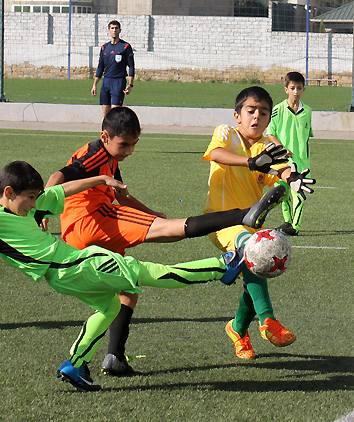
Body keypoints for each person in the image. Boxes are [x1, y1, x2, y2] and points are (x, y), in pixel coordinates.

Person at [0, 160, 248, 392]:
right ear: (7, 194)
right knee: (146, 273)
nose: (34, 205)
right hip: (75, 264)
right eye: (29, 199)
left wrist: (101, 180)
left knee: (109, 307)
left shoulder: (26, 205)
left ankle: (75, 364)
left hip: (62, 275)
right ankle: (223, 265)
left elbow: (64, 190)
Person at [44, 106, 293, 375]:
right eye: (124, 145)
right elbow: (60, 175)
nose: (130, 151)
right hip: (94, 220)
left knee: (127, 290)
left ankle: (114, 357)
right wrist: (43, 206)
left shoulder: (107, 156)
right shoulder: (93, 154)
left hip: (81, 229)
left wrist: (150, 212)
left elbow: (122, 196)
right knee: (169, 231)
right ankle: (243, 215)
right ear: (105, 137)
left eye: (134, 144)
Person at [203, 86, 315, 359]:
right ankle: (268, 321)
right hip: (220, 221)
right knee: (255, 252)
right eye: (250, 111)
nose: (256, 117)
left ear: (268, 119)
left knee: (258, 270)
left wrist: (292, 177)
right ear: (237, 115)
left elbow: (280, 168)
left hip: (251, 227)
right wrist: (252, 162)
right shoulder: (226, 133)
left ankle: (238, 328)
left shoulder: (267, 147)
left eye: (263, 112)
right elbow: (217, 154)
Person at [266, 71, 313, 236]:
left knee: (298, 194)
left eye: (299, 88)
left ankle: (295, 226)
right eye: (292, 88)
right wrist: (281, 147)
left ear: (303, 90)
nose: (296, 91)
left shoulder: (307, 111)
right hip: (282, 160)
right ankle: (287, 221)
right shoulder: (278, 110)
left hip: (301, 162)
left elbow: (307, 135)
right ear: (286, 89)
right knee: (283, 193)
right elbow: (270, 132)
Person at [91, 20, 135, 116]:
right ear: (109, 31)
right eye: (112, 28)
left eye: (116, 28)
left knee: (114, 114)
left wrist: (130, 84)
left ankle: (116, 131)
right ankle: (105, 131)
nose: (114, 30)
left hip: (118, 82)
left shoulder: (125, 46)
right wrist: (95, 84)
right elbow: (100, 67)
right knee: (106, 114)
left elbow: (131, 66)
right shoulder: (104, 48)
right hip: (106, 81)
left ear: (120, 30)